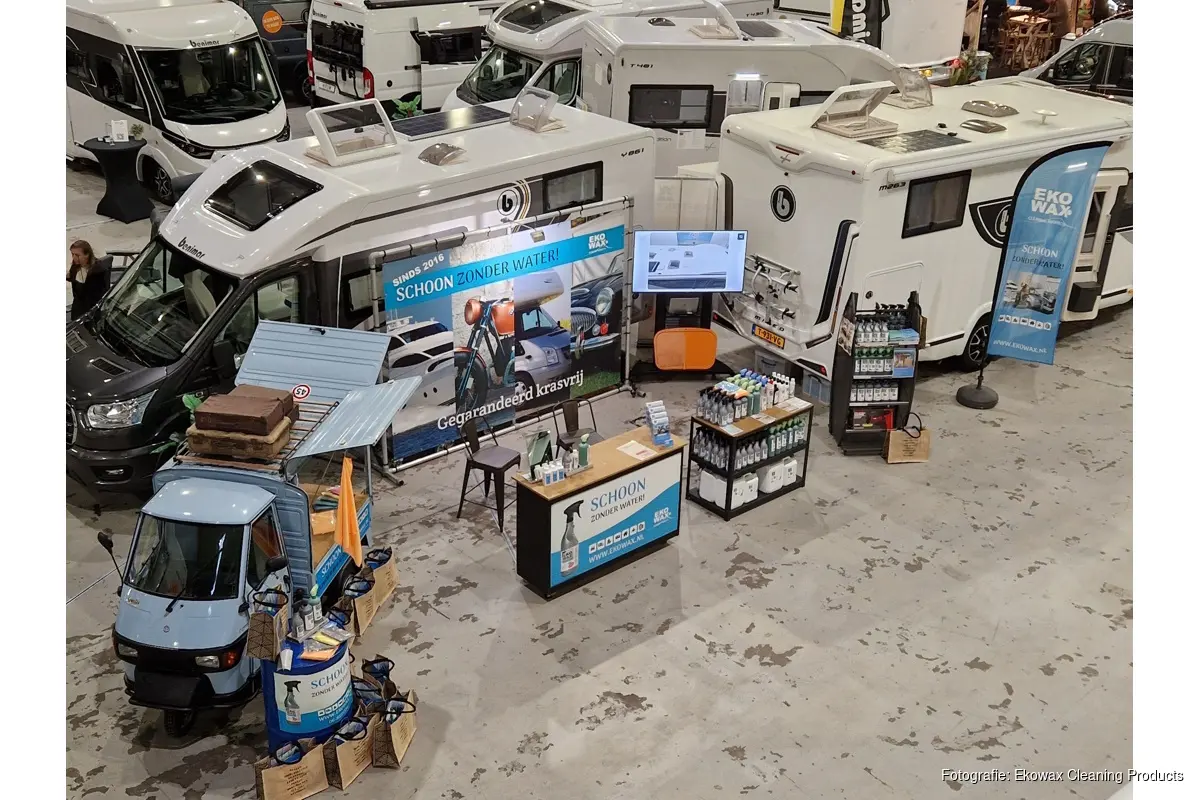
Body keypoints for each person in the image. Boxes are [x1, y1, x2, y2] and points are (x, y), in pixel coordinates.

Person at [67, 240, 109, 321]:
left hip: (91, 309)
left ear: (87, 255)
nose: (74, 258)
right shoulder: (75, 266)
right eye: (72, 254)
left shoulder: (98, 270)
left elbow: (99, 293)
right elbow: (72, 278)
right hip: (77, 306)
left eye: (77, 255)